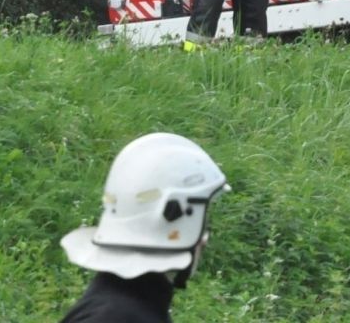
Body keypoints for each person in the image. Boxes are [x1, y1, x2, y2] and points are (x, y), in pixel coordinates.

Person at [58, 132, 230, 323]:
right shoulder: (119, 316)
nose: (204, 241)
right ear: (173, 217)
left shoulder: (121, 306)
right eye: (201, 225)